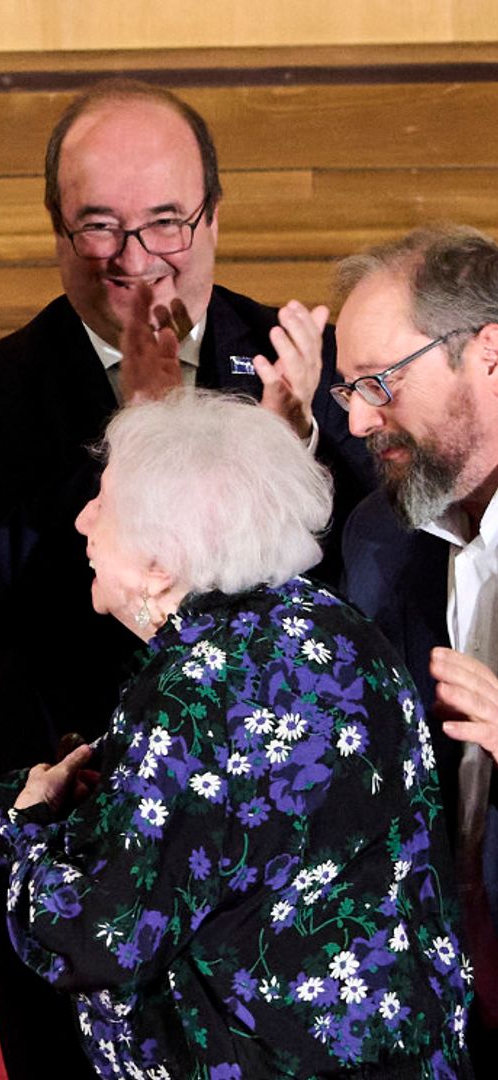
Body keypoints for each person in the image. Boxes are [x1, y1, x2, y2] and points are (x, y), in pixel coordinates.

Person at [0, 391, 470, 1078]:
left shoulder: (195, 691)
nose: (83, 519)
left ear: (161, 563)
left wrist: (30, 832)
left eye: (104, 501)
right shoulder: (325, 625)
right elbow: (123, 804)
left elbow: (94, 938)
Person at [0, 78, 376, 1076]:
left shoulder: (309, 365)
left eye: (167, 221)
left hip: (281, 890)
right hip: (79, 878)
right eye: (99, 225)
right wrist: (133, 431)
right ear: (56, 229)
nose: (134, 258)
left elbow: (367, 598)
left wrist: (297, 452)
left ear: (214, 215)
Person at [335, 224, 498, 1068]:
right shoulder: (378, 536)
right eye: (347, 389)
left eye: (381, 382)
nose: (360, 418)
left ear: (489, 354)